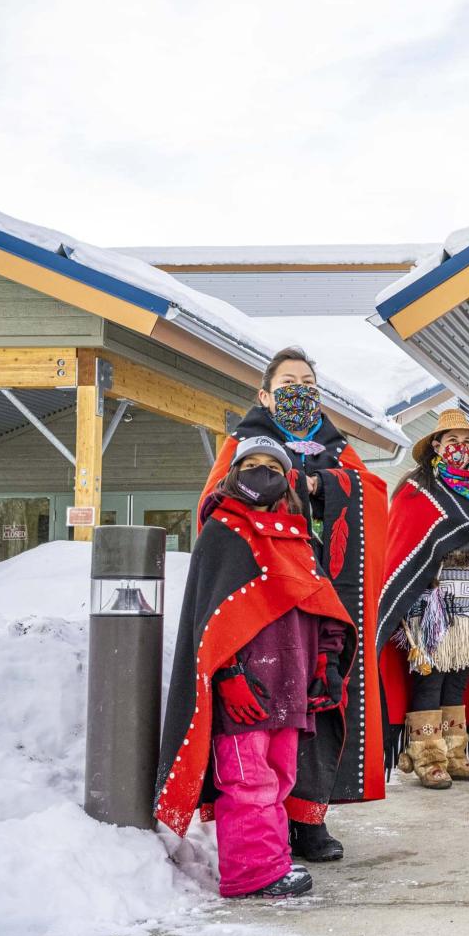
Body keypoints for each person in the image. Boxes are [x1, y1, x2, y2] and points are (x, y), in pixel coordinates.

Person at [201, 347, 389, 863]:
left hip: (322, 593)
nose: (299, 388)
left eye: (308, 381)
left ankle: (311, 819)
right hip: (265, 600)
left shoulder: (334, 446)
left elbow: (374, 495)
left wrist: (324, 483)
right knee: (268, 707)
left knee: (319, 702)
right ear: (265, 394)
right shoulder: (243, 444)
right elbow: (212, 506)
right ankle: (264, 820)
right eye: (288, 382)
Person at [156, 436, 355, 898]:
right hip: (244, 690)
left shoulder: (298, 537)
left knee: (281, 778)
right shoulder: (221, 533)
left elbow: (320, 605)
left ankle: (272, 861)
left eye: (271, 465)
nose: (261, 472)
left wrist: (325, 661)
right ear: (233, 472)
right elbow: (209, 621)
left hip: (291, 685)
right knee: (248, 780)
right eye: (251, 463)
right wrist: (227, 677)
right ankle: (254, 873)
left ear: (287, 478)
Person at [376, 409, 469, 788]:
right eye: (452, 441)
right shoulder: (418, 489)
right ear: (437, 447)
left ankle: (455, 754)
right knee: (431, 677)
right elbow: (405, 544)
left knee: (460, 678)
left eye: (466, 442)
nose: (459, 448)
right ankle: (428, 758)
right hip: (433, 600)